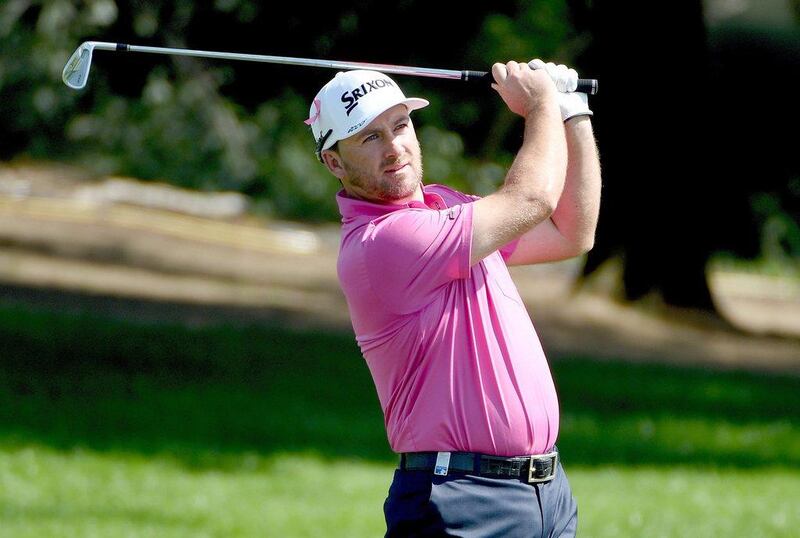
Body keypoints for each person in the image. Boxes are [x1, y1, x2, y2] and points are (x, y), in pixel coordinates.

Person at [305, 59, 601, 537]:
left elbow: (572, 232)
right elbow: (532, 200)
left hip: (545, 494)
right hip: (462, 500)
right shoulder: (384, 243)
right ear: (335, 162)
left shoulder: (446, 208)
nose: (394, 147)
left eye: (399, 125)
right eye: (369, 137)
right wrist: (542, 103)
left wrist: (572, 112)